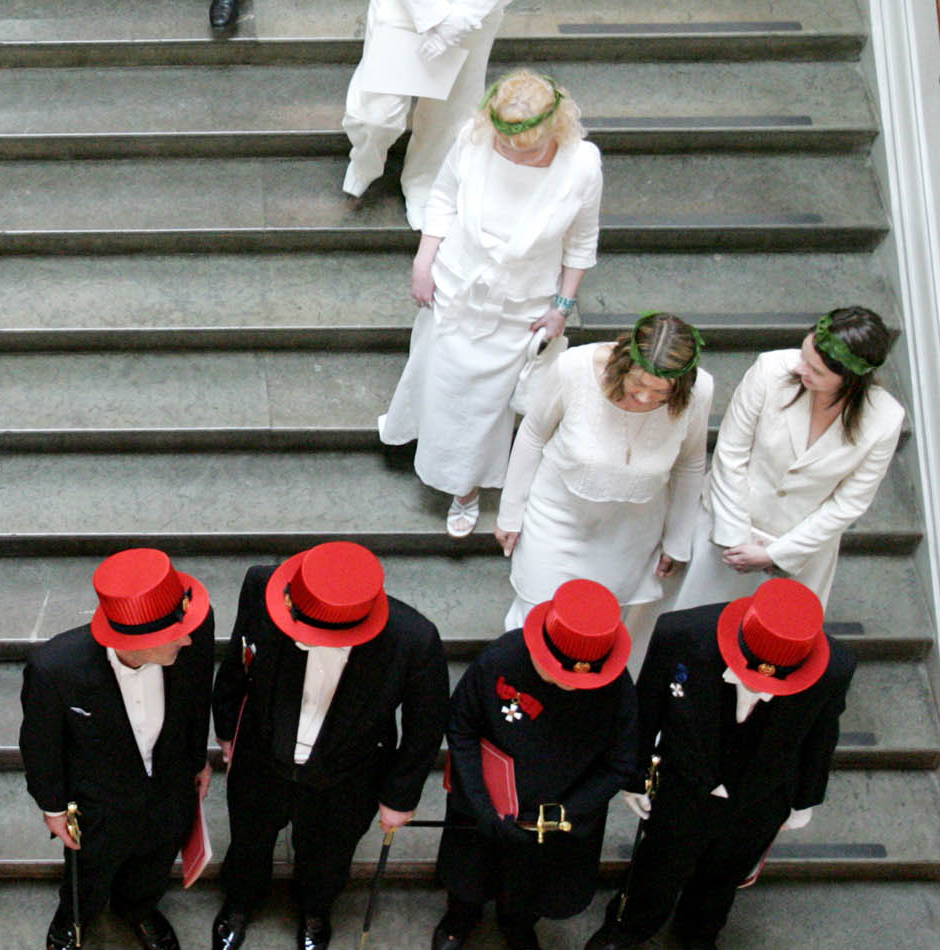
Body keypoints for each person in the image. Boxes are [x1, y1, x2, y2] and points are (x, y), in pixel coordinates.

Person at [579, 580, 852, 950]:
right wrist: (633, 777)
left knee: (725, 872)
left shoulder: (836, 667)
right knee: (658, 862)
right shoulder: (681, 635)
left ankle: (700, 933)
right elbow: (647, 704)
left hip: (762, 792)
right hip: (684, 780)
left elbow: (821, 734)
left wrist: (804, 800)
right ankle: (628, 927)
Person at [377, 70, 603, 538]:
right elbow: (442, 199)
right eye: (505, 143)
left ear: (554, 131)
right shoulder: (474, 137)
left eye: (526, 149)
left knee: (485, 404)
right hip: (457, 282)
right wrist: (424, 260)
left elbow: (581, 241)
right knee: (436, 373)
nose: (511, 153)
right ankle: (416, 434)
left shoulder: (582, 165)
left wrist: (562, 306)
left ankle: (465, 485)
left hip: (520, 302)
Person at [210, 542, 447, 950]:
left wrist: (400, 796)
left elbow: (424, 728)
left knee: (328, 854)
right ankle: (241, 902)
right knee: (248, 838)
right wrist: (228, 728)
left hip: (348, 771)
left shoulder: (414, 640)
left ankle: (315, 911)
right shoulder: (262, 586)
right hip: (262, 755)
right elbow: (237, 660)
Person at [432, 578, 635, 950]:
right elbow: (461, 726)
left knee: (533, 885)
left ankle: (520, 930)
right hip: (485, 800)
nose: (567, 684)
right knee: (470, 872)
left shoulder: (618, 689)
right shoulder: (501, 659)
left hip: (556, 817)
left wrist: (564, 812)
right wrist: (482, 803)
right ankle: (458, 920)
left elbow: (620, 763)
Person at [21, 548, 214, 950]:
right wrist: (52, 807)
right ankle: (73, 919)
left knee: (155, 859)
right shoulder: (56, 669)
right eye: (176, 637)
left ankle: (140, 909)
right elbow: (40, 745)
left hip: (169, 785)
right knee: (88, 871)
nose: (188, 640)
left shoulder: (191, 634)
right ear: (137, 642)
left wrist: (197, 760)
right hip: (96, 803)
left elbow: (199, 699)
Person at [495, 312, 713, 643]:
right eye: (638, 385)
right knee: (536, 617)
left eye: (660, 393)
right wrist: (510, 513)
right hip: (558, 515)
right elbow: (532, 435)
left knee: (596, 628)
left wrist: (677, 538)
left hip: (630, 530)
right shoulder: (574, 367)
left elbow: (690, 463)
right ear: (623, 363)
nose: (644, 398)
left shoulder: (700, 391)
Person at [677, 306, 905, 609]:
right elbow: (731, 452)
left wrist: (777, 554)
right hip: (723, 530)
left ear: (851, 379)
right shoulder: (770, 369)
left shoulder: (886, 419)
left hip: (798, 551)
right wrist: (734, 537)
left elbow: (850, 502)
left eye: (816, 370)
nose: (800, 369)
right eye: (803, 356)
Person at [342, 0, 509, 227]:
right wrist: (437, 17)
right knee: (377, 116)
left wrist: (464, 17)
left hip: (473, 16)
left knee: (448, 113)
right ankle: (366, 162)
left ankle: (424, 182)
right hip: (404, 8)